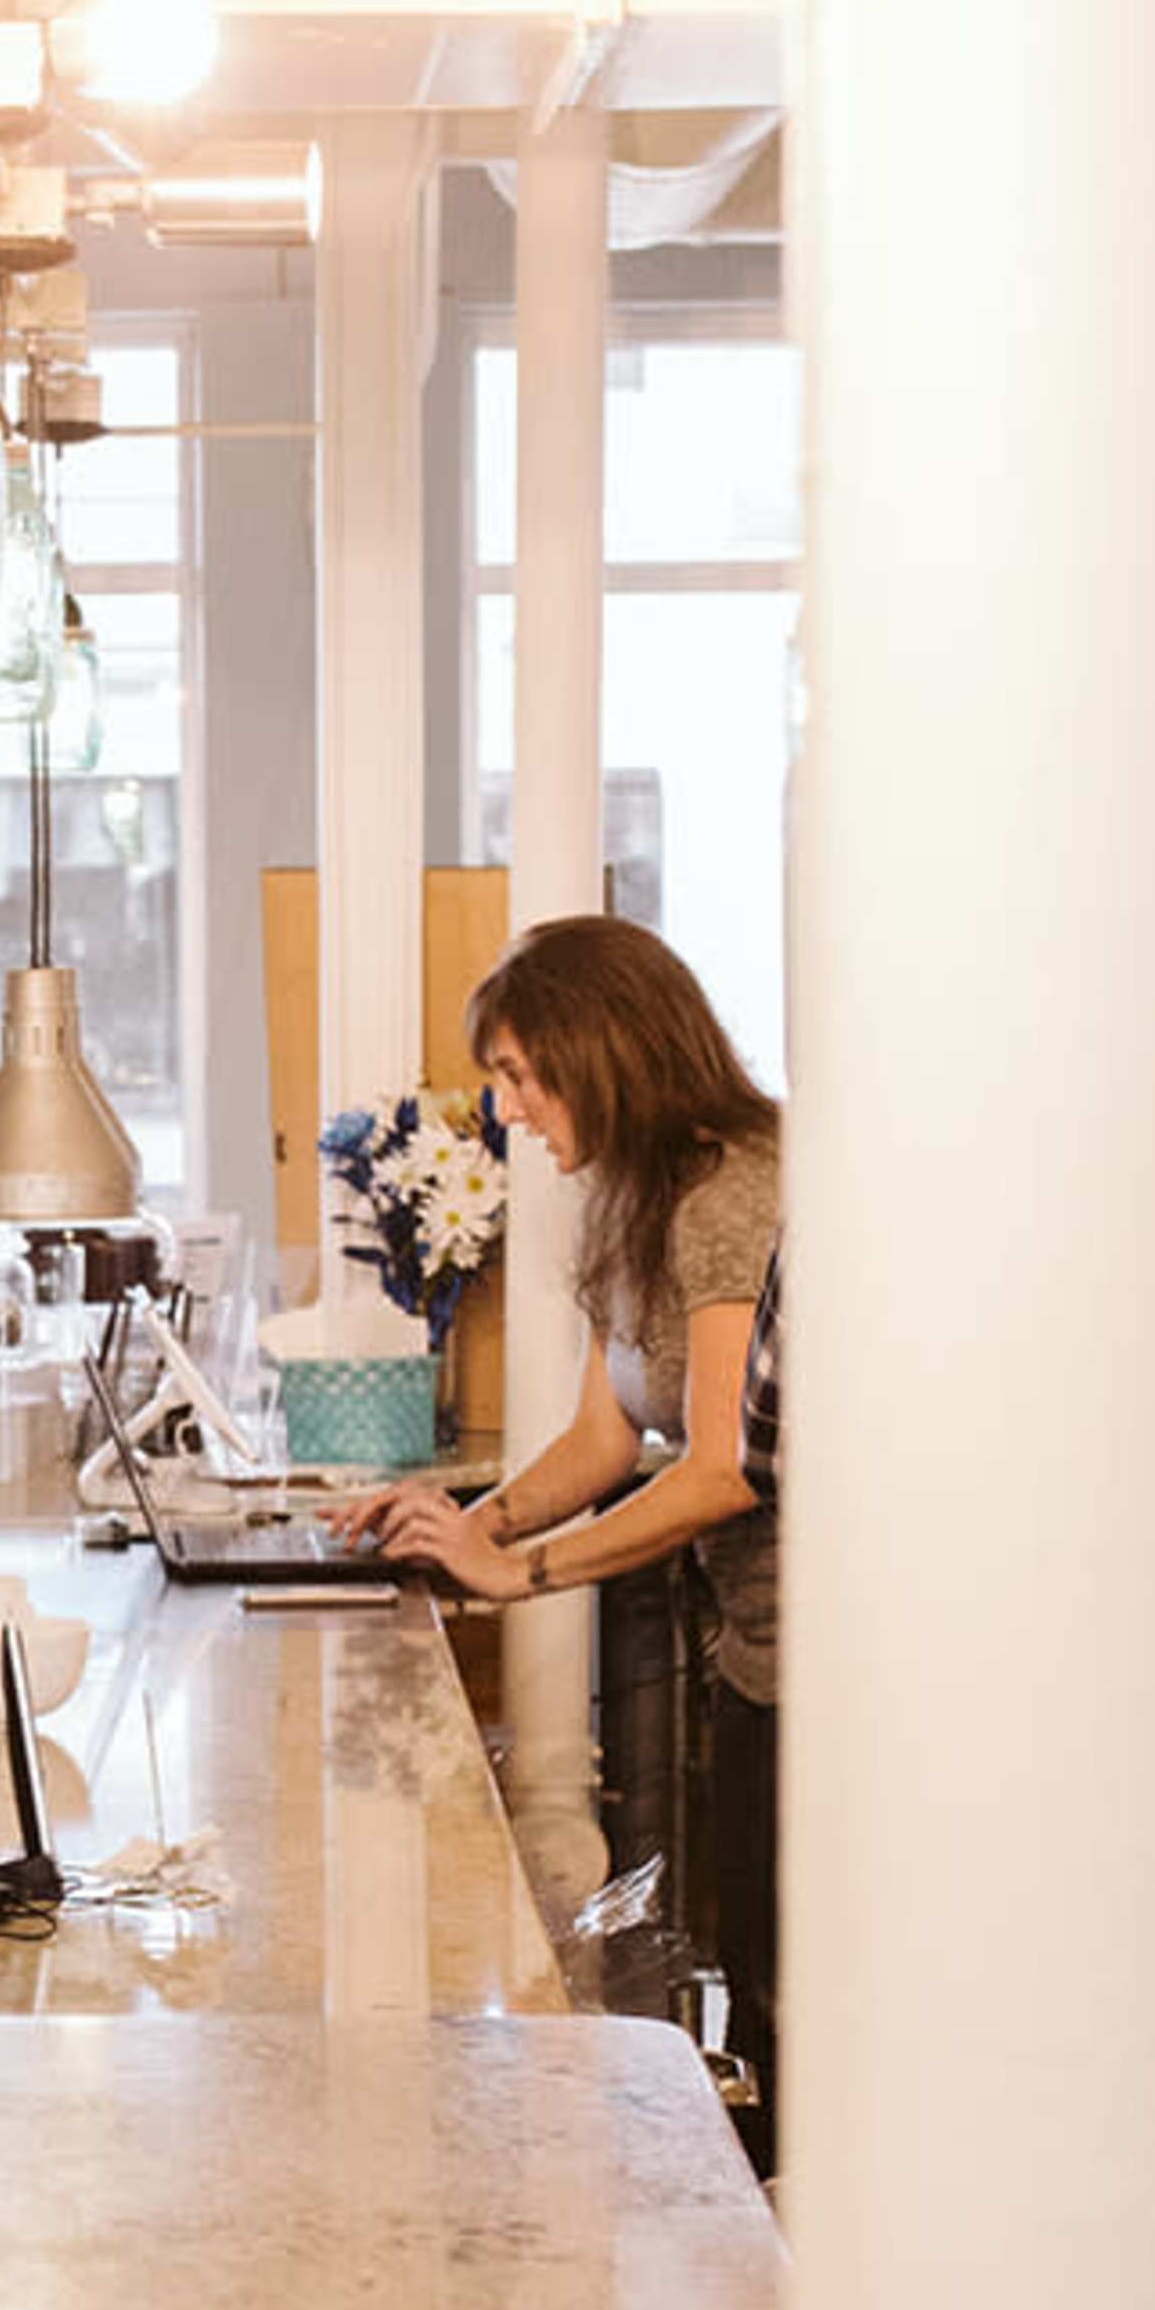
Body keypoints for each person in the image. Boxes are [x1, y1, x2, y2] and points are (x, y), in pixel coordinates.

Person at [341, 914, 785, 2172]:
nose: (512, 1110)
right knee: (751, 1962)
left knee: (785, 1991)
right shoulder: (635, 1201)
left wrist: (513, 1572)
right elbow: (603, 1436)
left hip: (824, 1654)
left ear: (609, 1054)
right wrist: (463, 1526)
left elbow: (715, 1471)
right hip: (750, 1647)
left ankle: (792, 2307)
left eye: (525, 1076)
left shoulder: (736, 1192)